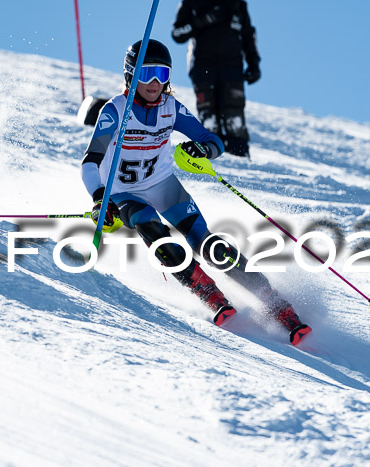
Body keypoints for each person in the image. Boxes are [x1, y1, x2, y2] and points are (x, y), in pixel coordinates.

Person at [80, 39, 310, 345]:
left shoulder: (171, 108)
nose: (154, 83)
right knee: (150, 225)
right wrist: (99, 198)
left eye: (162, 74)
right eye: (146, 74)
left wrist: (203, 148)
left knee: (208, 243)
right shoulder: (114, 110)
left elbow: (212, 140)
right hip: (123, 191)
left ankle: (276, 305)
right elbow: (89, 162)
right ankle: (208, 293)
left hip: (163, 184)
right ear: (130, 75)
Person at [171, 0, 261, 158]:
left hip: (232, 69)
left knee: (234, 120)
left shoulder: (237, 4)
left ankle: (241, 161)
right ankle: (213, 160)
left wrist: (254, 64)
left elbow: (248, 35)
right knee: (209, 119)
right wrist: (204, 20)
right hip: (202, 68)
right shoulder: (191, 3)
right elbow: (177, 33)